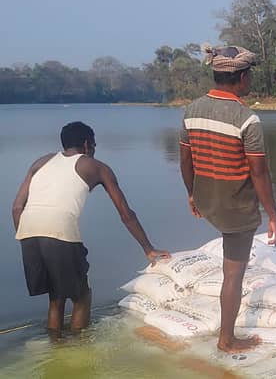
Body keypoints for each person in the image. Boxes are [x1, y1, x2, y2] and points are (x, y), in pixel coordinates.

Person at [12, 122, 170, 336]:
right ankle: (78, 347)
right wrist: (148, 248)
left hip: (27, 230)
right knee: (81, 296)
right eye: (94, 145)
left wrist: (25, 236)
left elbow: (16, 207)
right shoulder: (95, 167)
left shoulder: (41, 162)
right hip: (59, 231)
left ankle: (55, 343)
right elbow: (126, 213)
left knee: (56, 297)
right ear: (87, 145)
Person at [179, 44, 276, 353]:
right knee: (233, 274)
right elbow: (259, 173)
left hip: (207, 201)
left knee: (230, 266)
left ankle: (226, 333)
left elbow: (186, 160)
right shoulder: (246, 119)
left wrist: (192, 194)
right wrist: (273, 215)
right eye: (249, 76)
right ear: (242, 77)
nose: (250, 81)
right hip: (235, 206)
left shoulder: (191, 110)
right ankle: (227, 339)